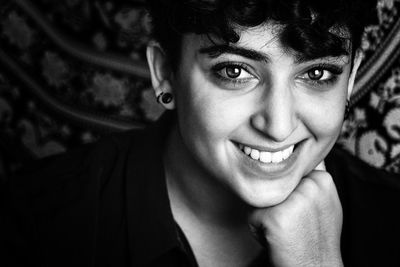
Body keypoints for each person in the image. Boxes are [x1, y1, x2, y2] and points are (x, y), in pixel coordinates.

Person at [2, 0, 400, 266]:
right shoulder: (36, 227)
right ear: (165, 72)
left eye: (316, 73)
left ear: (350, 79)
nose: (278, 126)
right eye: (235, 71)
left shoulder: (389, 223)